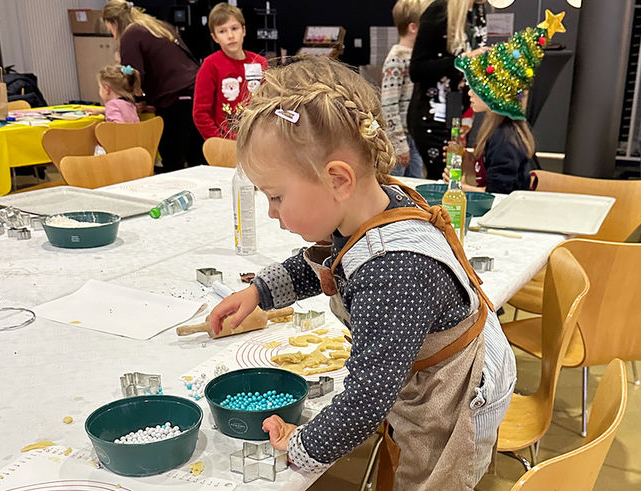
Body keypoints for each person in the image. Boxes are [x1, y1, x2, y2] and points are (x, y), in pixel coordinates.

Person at [208, 56, 515, 489]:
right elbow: (326, 263)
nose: (272, 213)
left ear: (338, 180)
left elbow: (366, 400)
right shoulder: (368, 207)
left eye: (276, 196)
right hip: (421, 372)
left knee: (429, 476)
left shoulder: (393, 273)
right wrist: (259, 292)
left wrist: (304, 443)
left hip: (456, 397)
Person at [444, 14, 563, 193]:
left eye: (476, 87)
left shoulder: (504, 139)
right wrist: (468, 159)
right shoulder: (496, 130)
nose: (469, 92)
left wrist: (459, 188)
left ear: (495, 92)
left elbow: (498, 194)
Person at [102, 0, 203, 172]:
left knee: (173, 161)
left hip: (174, 98)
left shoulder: (130, 34)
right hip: (197, 88)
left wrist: (132, 101)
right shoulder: (157, 26)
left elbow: (134, 75)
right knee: (198, 159)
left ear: (113, 23)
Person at [408, 0, 487, 179]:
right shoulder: (439, 11)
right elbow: (417, 70)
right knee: (443, 178)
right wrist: (463, 60)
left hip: (457, 113)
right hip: (433, 117)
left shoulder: (478, 11)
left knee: (453, 177)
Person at [193, 2, 268, 140]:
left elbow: (269, 104)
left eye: (234, 28)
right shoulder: (210, 65)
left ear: (243, 30)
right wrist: (218, 142)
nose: (230, 36)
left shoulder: (260, 62)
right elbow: (201, 113)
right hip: (225, 143)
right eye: (222, 31)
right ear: (215, 37)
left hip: (257, 140)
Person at [381, 0, 425, 178]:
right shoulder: (396, 58)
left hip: (414, 135)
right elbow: (388, 105)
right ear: (413, 28)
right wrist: (399, 144)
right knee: (398, 184)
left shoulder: (417, 58)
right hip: (401, 138)